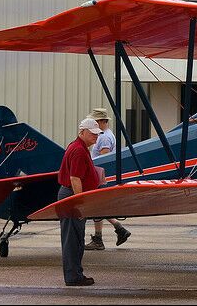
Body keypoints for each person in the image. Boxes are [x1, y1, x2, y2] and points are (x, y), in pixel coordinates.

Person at [57, 117, 102, 286]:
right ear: (82, 132)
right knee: (73, 240)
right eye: (93, 134)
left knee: (75, 238)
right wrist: (80, 204)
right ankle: (73, 277)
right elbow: (75, 178)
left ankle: (75, 274)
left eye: (97, 134)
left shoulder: (77, 147)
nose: (96, 137)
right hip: (72, 196)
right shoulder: (78, 150)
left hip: (70, 195)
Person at [84, 108, 131, 251]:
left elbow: (104, 160)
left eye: (96, 121)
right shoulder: (107, 135)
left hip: (98, 176)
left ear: (102, 121)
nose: (94, 124)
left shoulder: (103, 137)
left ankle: (111, 232)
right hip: (99, 175)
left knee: (96, 207)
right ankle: (111, 232)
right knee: (96, 208)